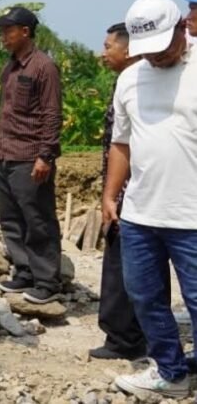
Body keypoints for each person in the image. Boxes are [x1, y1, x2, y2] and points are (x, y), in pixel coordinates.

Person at [104, 0, 197, 399]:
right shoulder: (130, 77)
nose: (154, 58)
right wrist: (110, 195)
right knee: (145, 296)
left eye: (161, 49)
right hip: (141, 213)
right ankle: (171, 372)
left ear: (181, 29)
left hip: (192, 215)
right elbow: (121, 144)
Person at [0, 7, 63, 304]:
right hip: (6, 154)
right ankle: (24, 271)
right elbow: (4, 114)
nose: (3, 36)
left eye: (8, 30)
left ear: (25, 32)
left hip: (30, 157)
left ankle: (47, 281)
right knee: (11, 219)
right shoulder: (10, 68)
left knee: (38, 219)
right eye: (1, 30)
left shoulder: (44, 67)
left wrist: (45, 156)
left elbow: (52, 115)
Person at [89, 23, 154, 360]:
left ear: (128, 50)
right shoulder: (129, 83)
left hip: (132, 194)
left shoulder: (141, 86)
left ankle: (125, 339)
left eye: (108, 46)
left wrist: (113, 194)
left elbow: (124, 146)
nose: (103, 53)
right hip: (124, 191)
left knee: (124, 266)